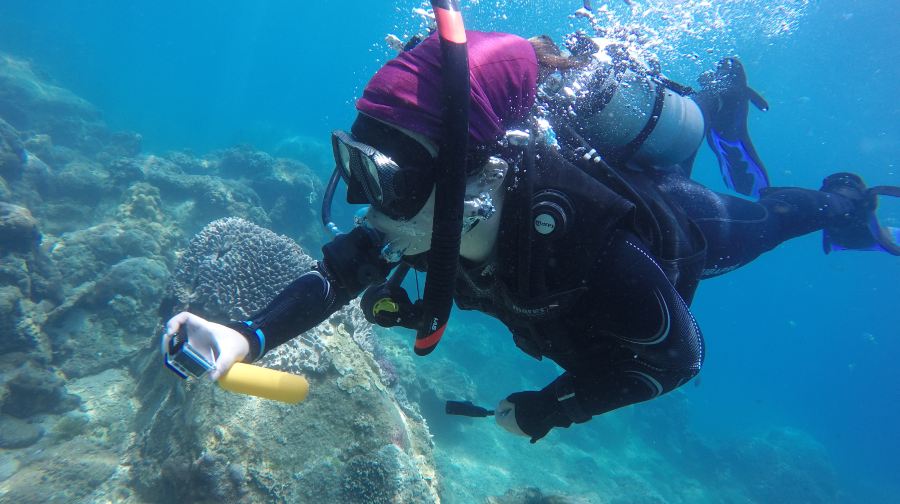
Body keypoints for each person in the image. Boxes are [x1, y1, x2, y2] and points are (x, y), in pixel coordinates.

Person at [161, 30, 899, 443]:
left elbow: (680, 358)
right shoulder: (428, 212)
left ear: (474, 183)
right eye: (356, 164)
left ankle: (839, 200)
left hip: (679, 224)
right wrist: (243, 339)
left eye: (388, 178)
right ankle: (712, 107)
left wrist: (555, 407)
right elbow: (336, 276)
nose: (365, 201)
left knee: (765, 222)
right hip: (562, 184)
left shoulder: (586, 244)